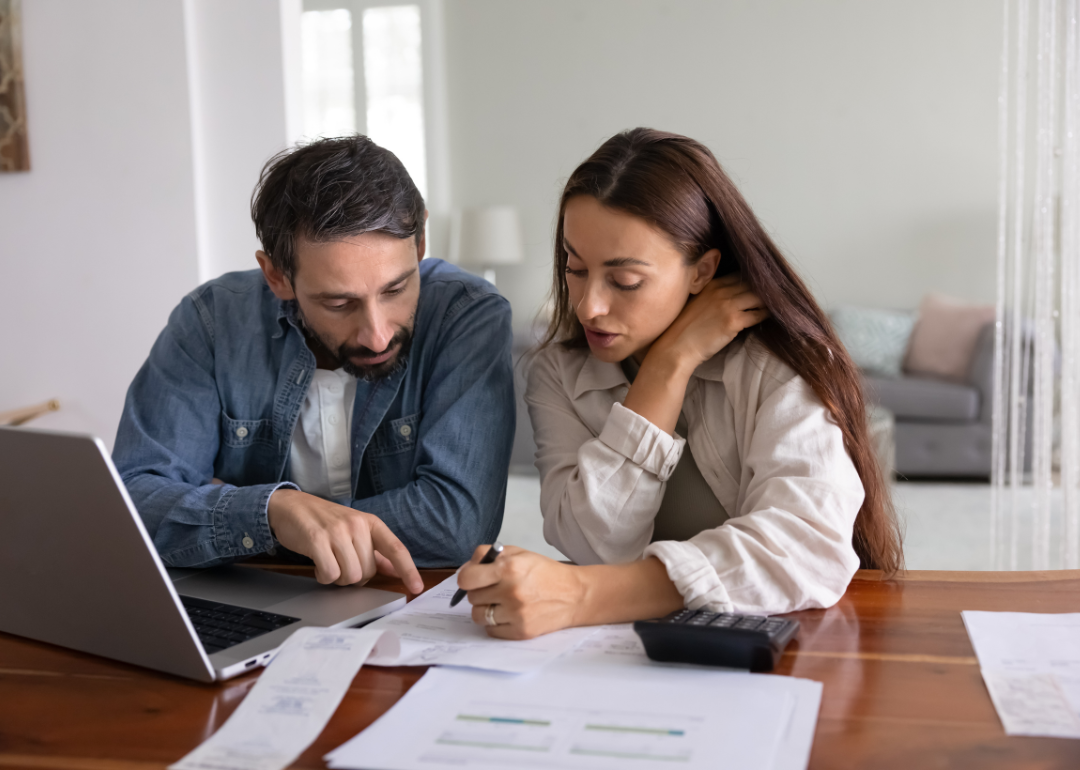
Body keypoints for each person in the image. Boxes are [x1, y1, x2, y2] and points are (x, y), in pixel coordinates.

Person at [458, 128, 903, 638]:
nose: (589, 306)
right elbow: (591, 543)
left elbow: (806, 545)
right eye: (574, 268)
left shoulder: (779, 364)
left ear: (703, 271)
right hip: (628, 651)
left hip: (777, 649)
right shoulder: (557, 372)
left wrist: (583, 595)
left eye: (625, 281)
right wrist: (668, 365)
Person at [113, 135, 515, 593]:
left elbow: (456, 523)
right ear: (276, 276)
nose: (378, 333)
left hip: (408, 605)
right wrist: (275, 513)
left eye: (395, 289)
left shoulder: (467, 314)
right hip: (256, 599)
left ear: (420, 241)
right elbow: (132, 502)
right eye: (339, 303)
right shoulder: (211, 321)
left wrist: (246, 518)